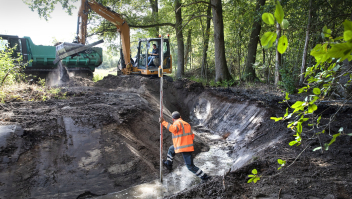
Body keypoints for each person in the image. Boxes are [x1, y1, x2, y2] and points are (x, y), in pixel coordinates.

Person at [159, 111, 211, 182]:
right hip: (184, 145)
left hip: (183, 147)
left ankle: (205, 177)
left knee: (190, 166)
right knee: (171, 149)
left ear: (173, 119)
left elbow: (173, 129)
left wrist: (163, 122)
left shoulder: (177, 122)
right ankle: (169, 164)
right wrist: (185, 142)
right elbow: (192, 135)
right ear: (180, 117)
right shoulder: (186, 124)